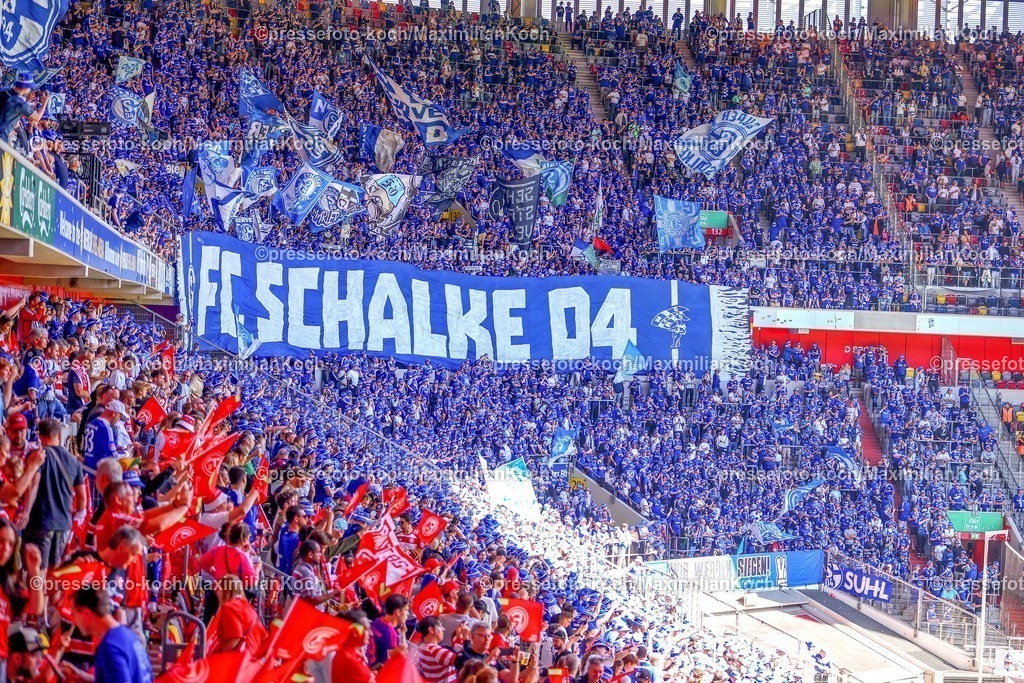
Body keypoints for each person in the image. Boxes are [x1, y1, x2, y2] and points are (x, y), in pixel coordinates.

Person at [24, 418, 87, 569]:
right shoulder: (73, 461)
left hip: (41, 521)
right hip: (63, 523)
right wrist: (78, 516)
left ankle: (39, 592)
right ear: (59, 435)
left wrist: (25, 511)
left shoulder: (38, 456)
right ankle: (51, 592)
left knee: (38, 568)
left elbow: (34, 483)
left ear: (40, 435)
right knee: (56, 569)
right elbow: (82, 497)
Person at [68, 586, 153, 683]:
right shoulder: (128, 636)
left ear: (86, 614)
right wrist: (79, 676)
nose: (74, 621)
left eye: (74, 615)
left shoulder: (110, 648)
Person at [0, 74, 48, 141]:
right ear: (27, 87)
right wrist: (46, 101)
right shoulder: (20, 103)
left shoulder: (4, 89)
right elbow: (37, 118)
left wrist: (27, 100)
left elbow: (11, 107)